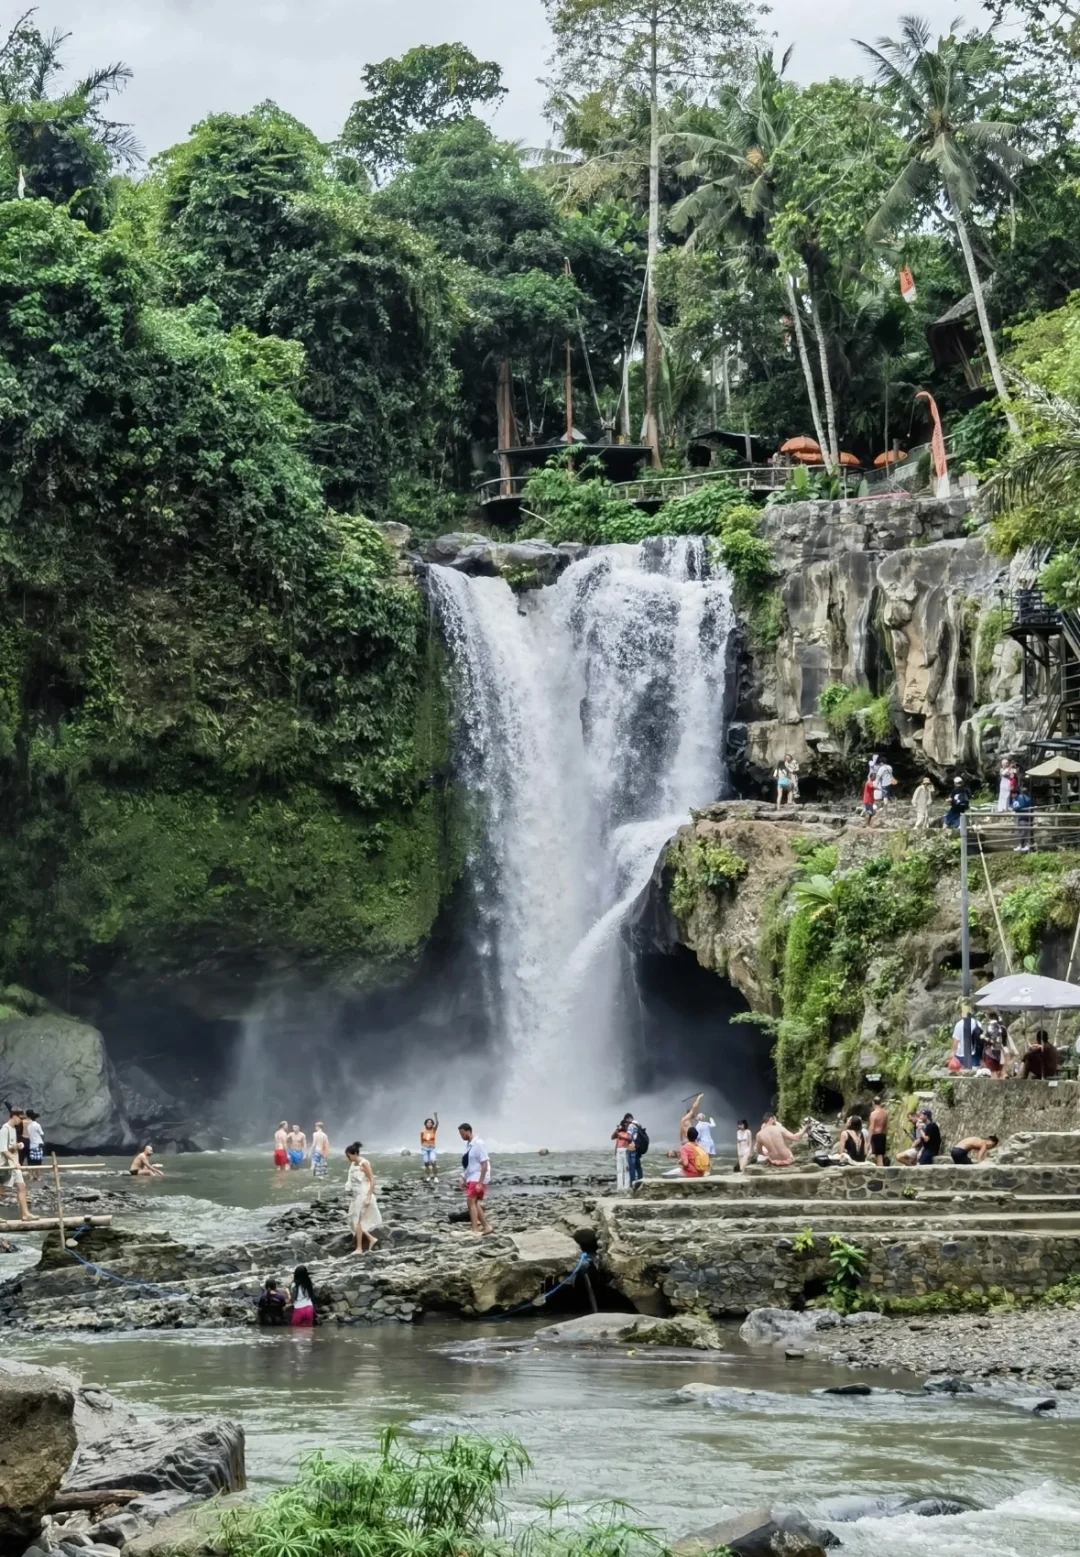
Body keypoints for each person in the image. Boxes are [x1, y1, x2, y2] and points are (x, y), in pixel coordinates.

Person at [344, 1141, 382, 1252]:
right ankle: (371, 1239)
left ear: (355, 1153)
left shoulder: (364, 1163)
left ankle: (359, 1248)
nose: (348, 1158)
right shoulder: (353, 1164)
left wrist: (369, 1196)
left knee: (358, 1221)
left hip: (363, 1193)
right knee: (353, 1220)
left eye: (349, 1156)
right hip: (355, 1194)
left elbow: (372, 1180)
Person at [458, 1123, 492, 1235]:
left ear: (468, 1131)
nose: (461, 1136)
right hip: (471, 1176)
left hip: (478, 1176)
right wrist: (463, 1178)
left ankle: (475, 1230)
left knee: (470, 1201)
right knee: (474, 1202)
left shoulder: (479, 1144)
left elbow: (484, 1164)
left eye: (462, 1133)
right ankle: (486, 1227)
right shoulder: (468, 1146)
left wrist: (480, 1183)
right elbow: (468, 1165)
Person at [0, 1105, 29, 1220]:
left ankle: (25, 1214)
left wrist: (16, 1146)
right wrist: (14, 1161)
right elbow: (3, 1150)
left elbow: (9, 1146)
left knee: (22, 1187)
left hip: (14, 1165)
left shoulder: (13, 1129)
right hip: (5, 1165)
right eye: (20, 1118)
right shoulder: (4, 1129)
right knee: (1, 1191)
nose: (21, 1121)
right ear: (14, 1116)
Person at [612, 1115, 632, 1192]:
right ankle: (620, 1186)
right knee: (619, 1170)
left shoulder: (628, 1133)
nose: (625, 1126)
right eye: (624, 1125)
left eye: (626, 1125)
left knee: (626, 1169)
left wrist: (621, 1135)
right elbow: (612, 1137)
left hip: (625, 1150)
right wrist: (617, 1130)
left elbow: (629, 1139)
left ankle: (626, 1186)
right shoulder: (619, 1132)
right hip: (619, 1151)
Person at [1011, 785, 1034, 852]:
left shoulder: (1021, 798)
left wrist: (1013, 808)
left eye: (1012, 794)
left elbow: (1021, 806)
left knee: (1024, 832)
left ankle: (1024, 845)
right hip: (1020, 816)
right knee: (1021, 831)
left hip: (1023, 817)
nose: (1011, 796)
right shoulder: (1016, 799)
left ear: (1015, 793)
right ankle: (1021, 845)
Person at [868, 1097, 889, 1166]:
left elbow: (871, 1128)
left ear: (873, 1103)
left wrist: (868, 1141)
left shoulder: (873, 1114)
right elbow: (886, 1126)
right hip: (883, 1135)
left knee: (879, 1157)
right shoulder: (885, 1113)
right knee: (881, 1156)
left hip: (876, 1135)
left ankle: (881, 1174)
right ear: (880, 1103)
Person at [24, 1110, 44, 1181]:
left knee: (32, 1161)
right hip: (38, 1144)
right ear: (36, 1118)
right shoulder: (37, 1125)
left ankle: (31, 1175)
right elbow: (42, 1133)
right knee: (38, 1161)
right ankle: (38, 1176)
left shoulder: (29, 1126)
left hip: (32, 1144)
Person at [626, 1115, 644, 1187]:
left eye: (626, 1120)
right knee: (638, 1166)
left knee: (632, 1166)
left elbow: (629, 1137)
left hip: (632, 1146)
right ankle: (641, 1180)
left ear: (628, 1119)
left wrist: (627, 1146)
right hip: (638, 1147)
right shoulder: (638, 1124)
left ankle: (632, 1183)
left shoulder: (631, 1125)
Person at [420, 1114, 439, 1182]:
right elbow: (421, 1141)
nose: (429, 1123)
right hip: (425, 1149)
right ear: (425, 1123)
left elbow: (437, 1123)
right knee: (426, 1163)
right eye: (428, 1122)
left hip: (432, 1149)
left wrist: (436, 1116)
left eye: (431, 1122)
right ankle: (428, 1176)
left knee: (433, 1161)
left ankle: (435, 1177)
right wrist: (425, 1145)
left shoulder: (433, 1130)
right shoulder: (422, 1131)